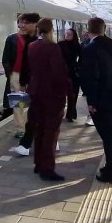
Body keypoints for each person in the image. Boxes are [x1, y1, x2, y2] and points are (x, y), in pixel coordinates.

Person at [78, 17, 112, 185]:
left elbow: (90, 78)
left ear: (88, 29)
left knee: (109, 135)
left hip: (102, 99)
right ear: (104, 28)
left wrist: (91, 102)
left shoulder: (89, 49)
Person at [27, 18, 71, 181]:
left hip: (36, 93)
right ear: (52, 30)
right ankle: (47, 168)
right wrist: (64, 92)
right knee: (51, 132)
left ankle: (38, 164)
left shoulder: (32, 46)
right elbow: (58, 73)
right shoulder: (52, 48)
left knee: (39, 129)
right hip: (52, 96)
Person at [1, 13, 40, 140]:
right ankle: (20, 129)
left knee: (33, 103)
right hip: (16, 76)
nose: (22, 25)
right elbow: (5, 58)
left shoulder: (36, 39)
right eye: (20, 22)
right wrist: (10, 74)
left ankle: (32, 126)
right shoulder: (12, 39)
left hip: (32, 76)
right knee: (18, 104)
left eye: (25, 22)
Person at [59, 28, 82, 122]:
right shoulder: (60, 44)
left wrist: (78, 67)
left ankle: (70, 113)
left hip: (73, 73)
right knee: (61, 94)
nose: (67, 35)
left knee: (73, 95)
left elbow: (82, 58)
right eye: (66, 34)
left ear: (74, 36)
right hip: (62, 72)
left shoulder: (78, 46)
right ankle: (60, 113)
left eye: (69, 34)